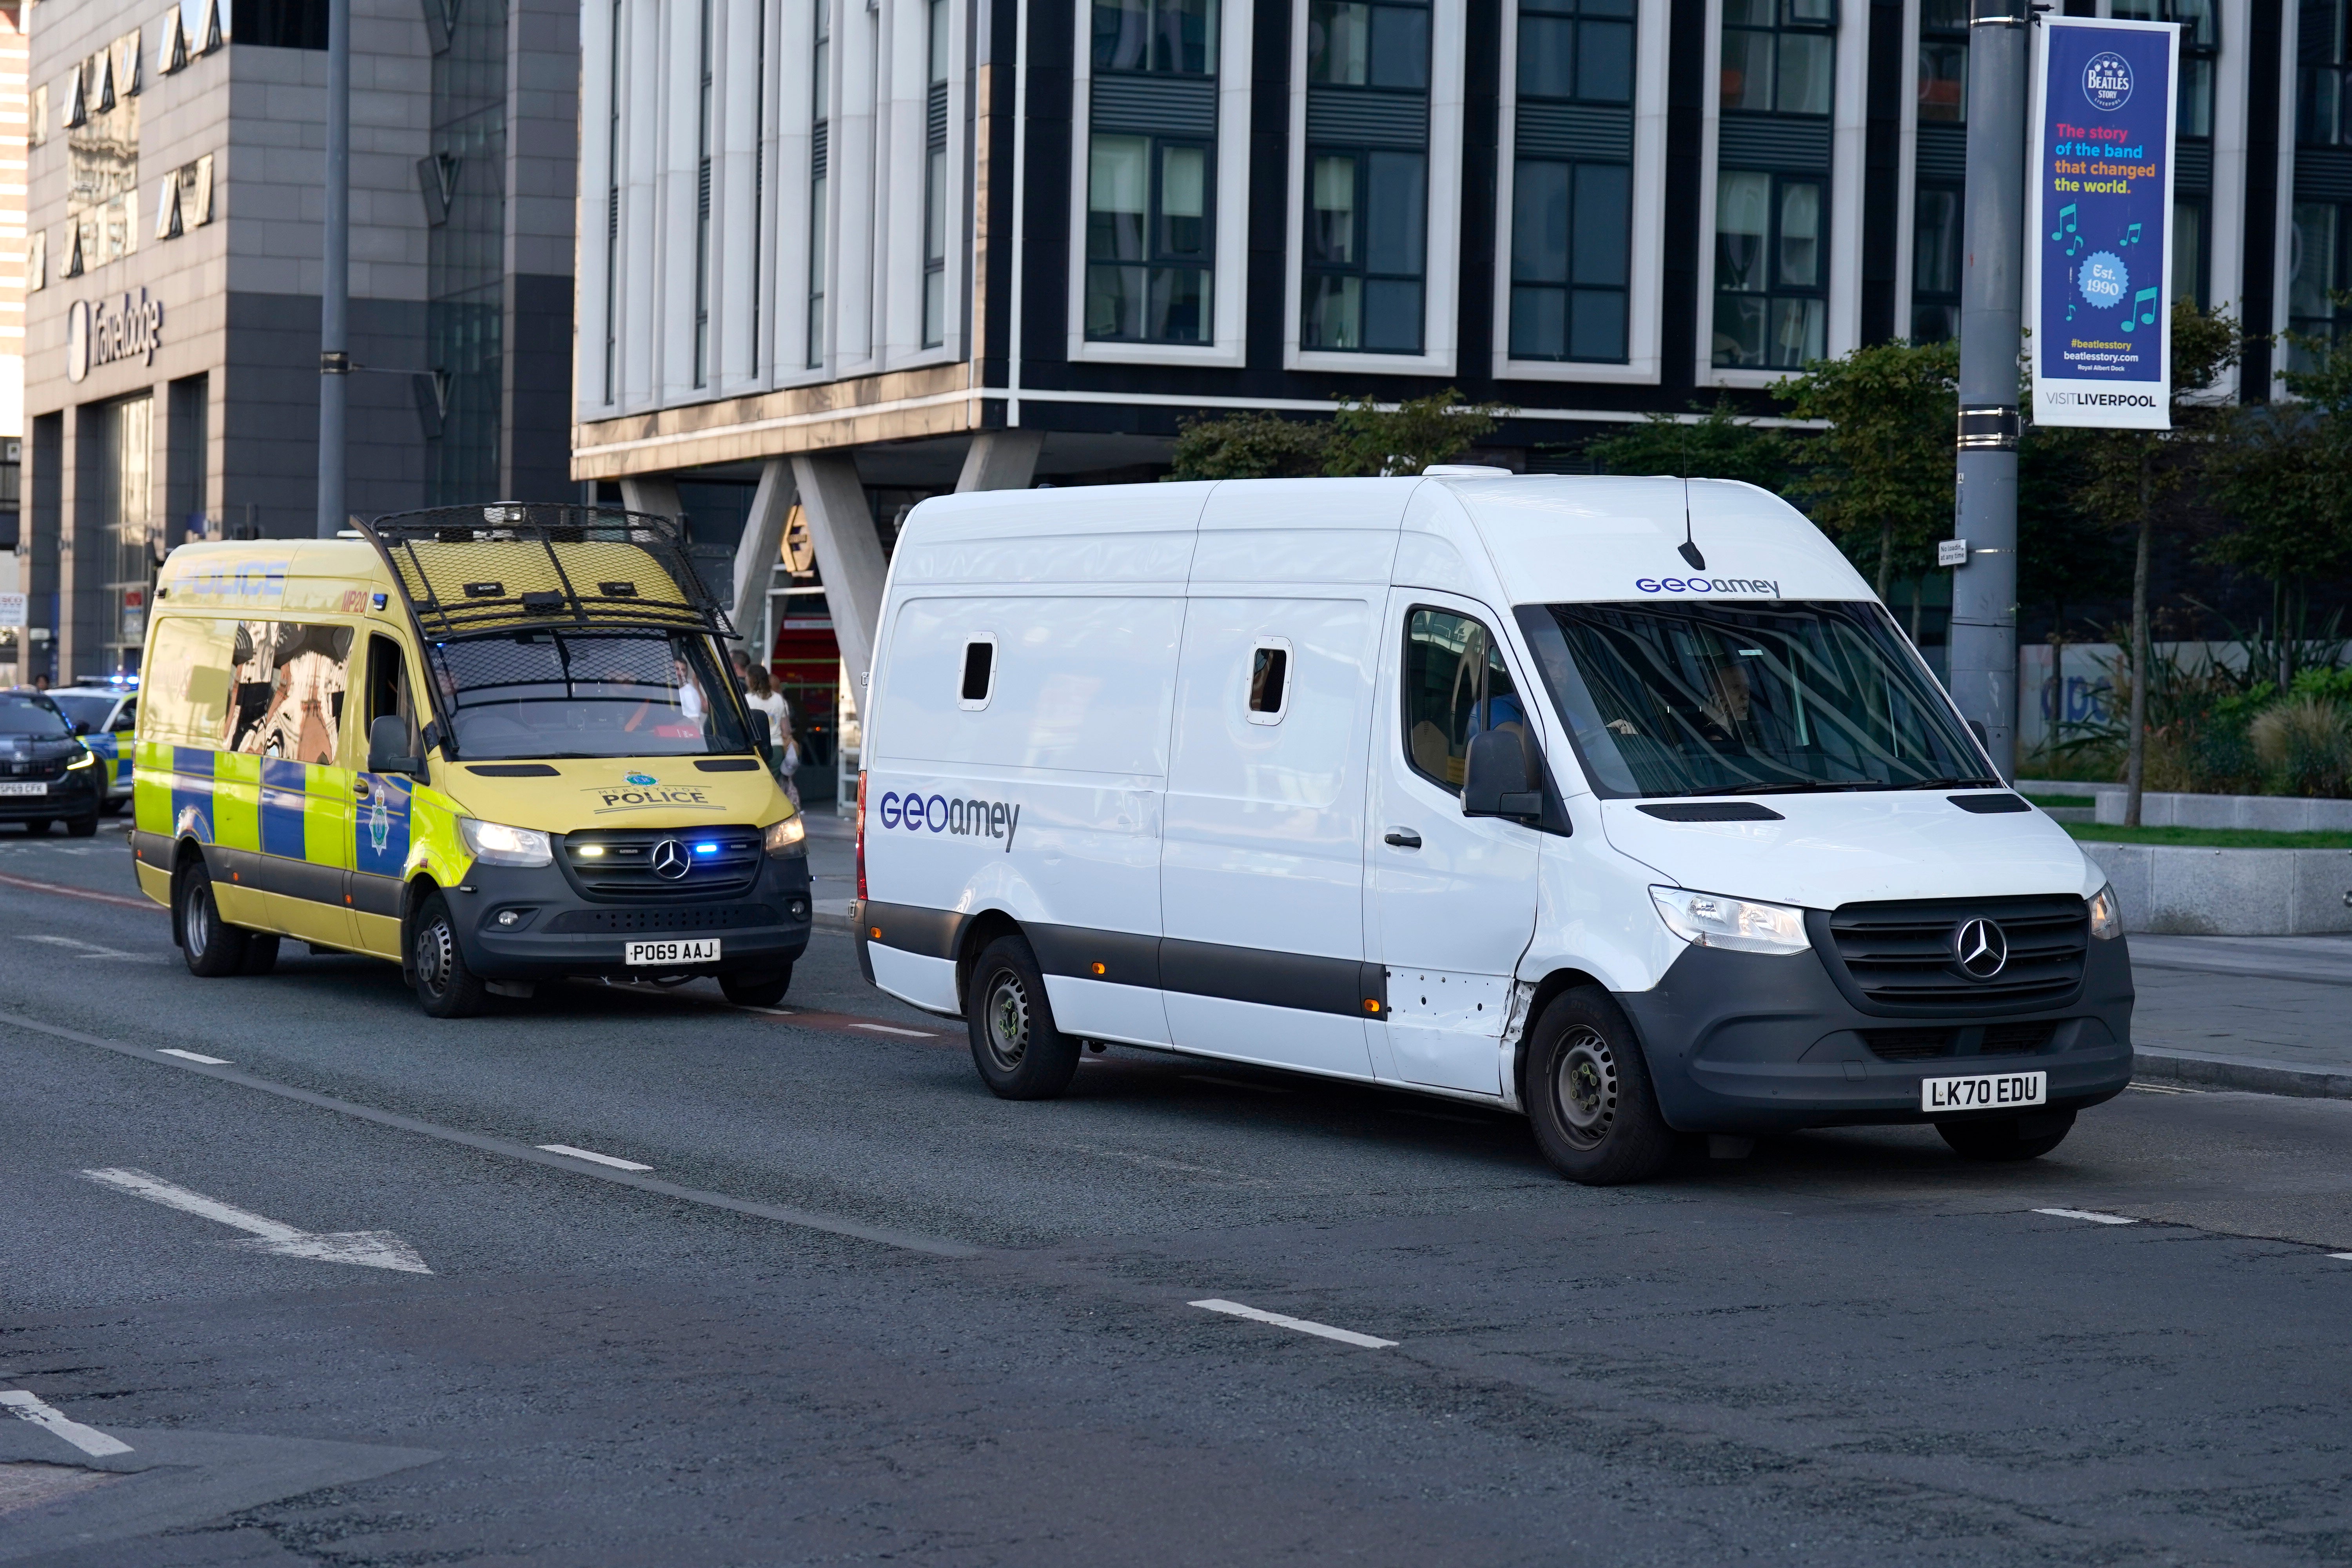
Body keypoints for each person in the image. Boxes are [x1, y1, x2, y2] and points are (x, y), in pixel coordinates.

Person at [743, 662, 800, 808]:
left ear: (751, 679)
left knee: (755, 785)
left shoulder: (747, 700)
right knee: (773, 786)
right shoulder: (778, 699)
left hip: (755, 749)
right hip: (775, 748)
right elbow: (786, 730)